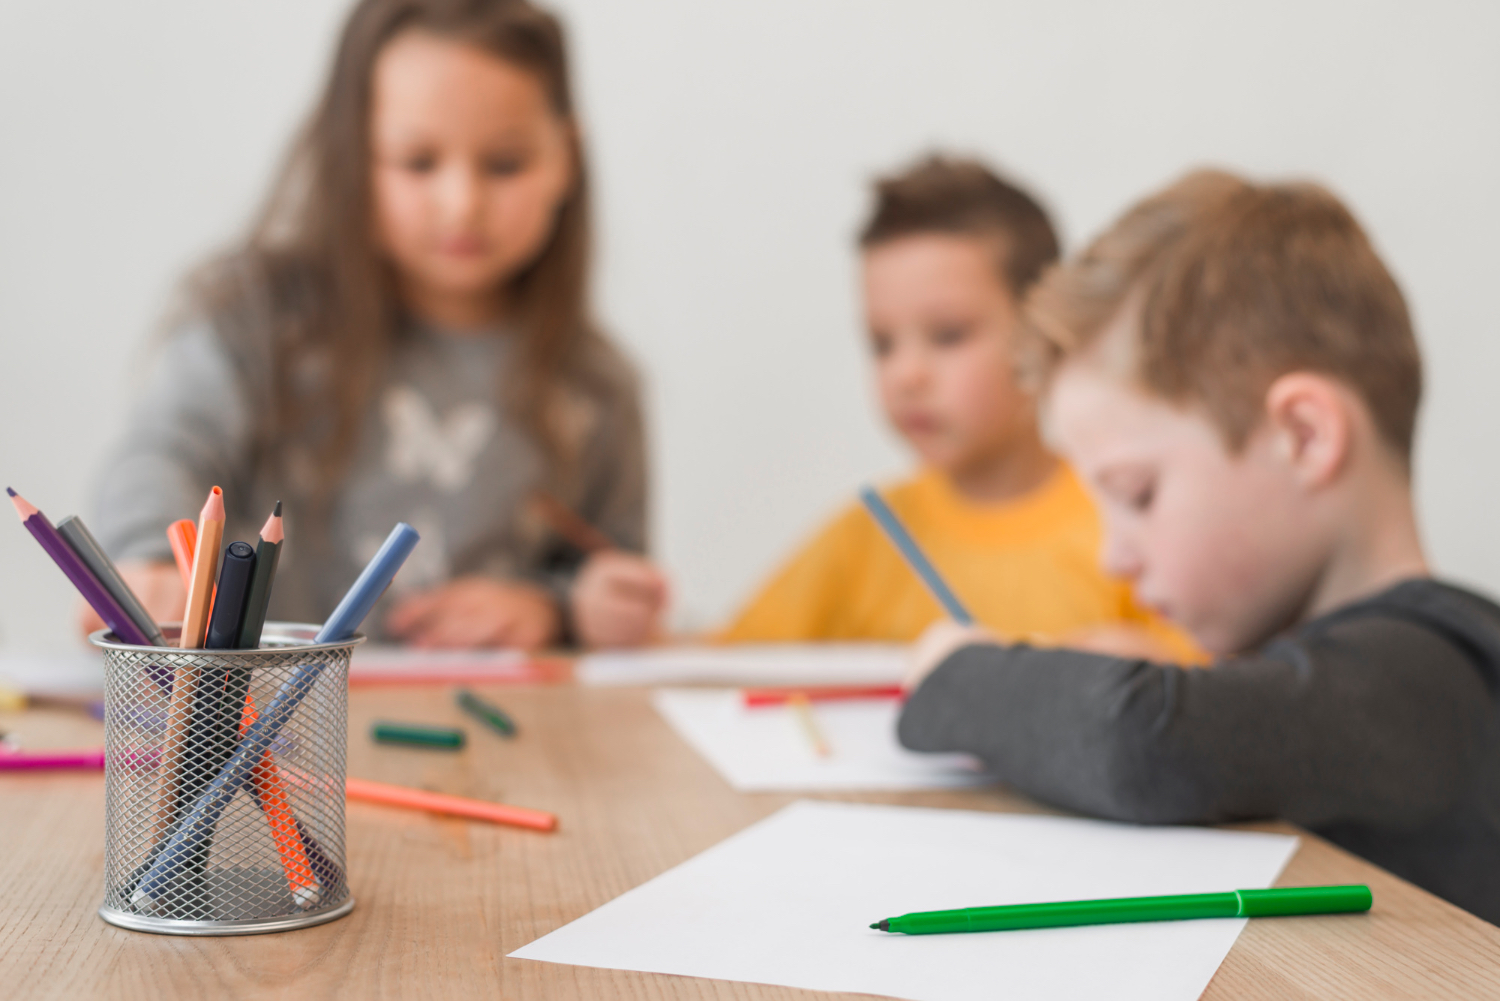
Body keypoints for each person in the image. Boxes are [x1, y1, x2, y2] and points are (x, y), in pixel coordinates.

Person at [899, 169, 1500, 925]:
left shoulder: (1435, 669)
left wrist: (963, 674)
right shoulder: (1348, 683)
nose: (1114, 556)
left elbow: (1148, 744)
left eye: (1138, 494)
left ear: (1303, 437)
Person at [86, 0, 668, 650]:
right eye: (418, 162)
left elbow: (617, 576)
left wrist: (561, 609)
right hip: (260, 729)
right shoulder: (257, 320)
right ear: (351, 154)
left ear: (566, 158)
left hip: (493, 729)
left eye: (505, 164)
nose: (462, 203)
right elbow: (165, 452)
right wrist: (153, 562)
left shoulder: (597, 387)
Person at [722, 155, 1192, 658]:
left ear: (1041, 337)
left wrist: (1149, 666)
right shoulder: (866, 537)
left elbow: (1220, 681)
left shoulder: (1122, 529)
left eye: (948, 336)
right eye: (882, 344)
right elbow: (714, 668)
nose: (906, 375)